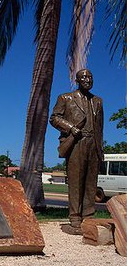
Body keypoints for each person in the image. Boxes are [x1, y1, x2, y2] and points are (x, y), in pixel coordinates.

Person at [50, 69, 103, 234]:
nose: (88, 80)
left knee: (90, 183)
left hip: (92, 145)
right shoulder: (65, 98)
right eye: (84, 77)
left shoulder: (98, 101)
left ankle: (88, 217)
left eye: (90, 77)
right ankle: (75, 218)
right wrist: (71, 128)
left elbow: (100, 127)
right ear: (77, 80)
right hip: (76, 143)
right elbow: (54, 118)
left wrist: (99, 148)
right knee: (76, 182)